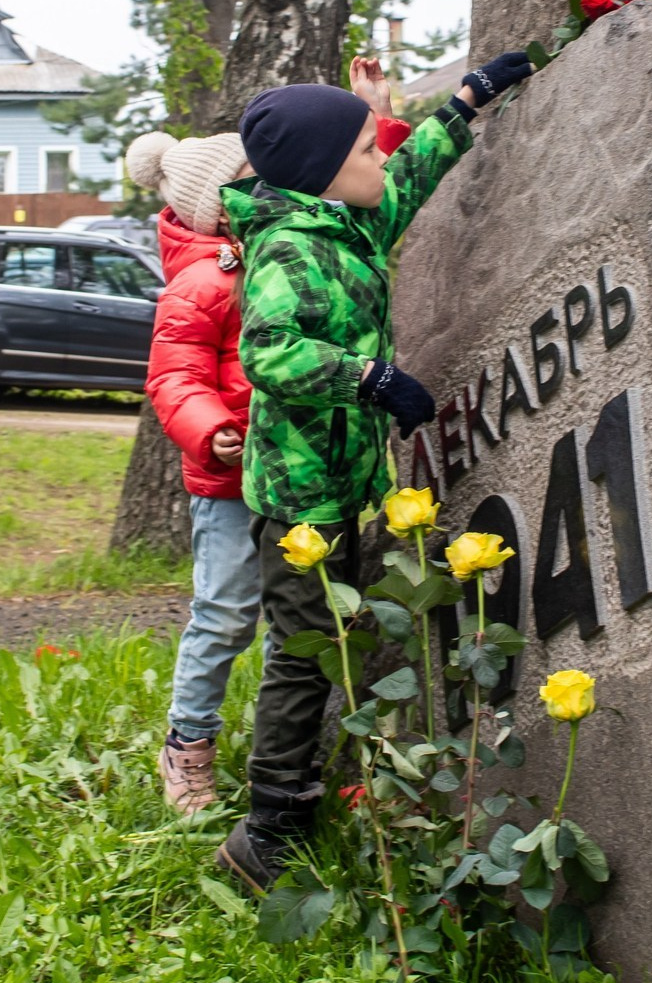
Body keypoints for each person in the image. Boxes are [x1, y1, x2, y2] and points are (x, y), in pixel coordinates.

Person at [215, 51, 532, 891]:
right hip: (301, 500)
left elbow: (406, 182)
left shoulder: (344, 223)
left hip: (344, 484)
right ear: (322, 172)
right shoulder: (290, 248)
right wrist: (372, 378)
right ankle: (267, 831)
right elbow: (269, 352)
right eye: (365, 148)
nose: (380, 156)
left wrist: (463, 104)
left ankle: (331, 780)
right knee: (301, 651)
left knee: (341, 639)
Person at [125, 130, 258, 813]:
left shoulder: (287, 252)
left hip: (295, 474)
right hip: (230, 484)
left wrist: (381, 134)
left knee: (312, 613)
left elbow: (361, 209)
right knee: (226, 613)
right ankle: (188, 744)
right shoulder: (203, 283)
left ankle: (288, 745)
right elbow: (173, 378)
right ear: (215, 207)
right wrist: (213, 431)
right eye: (248, 179)